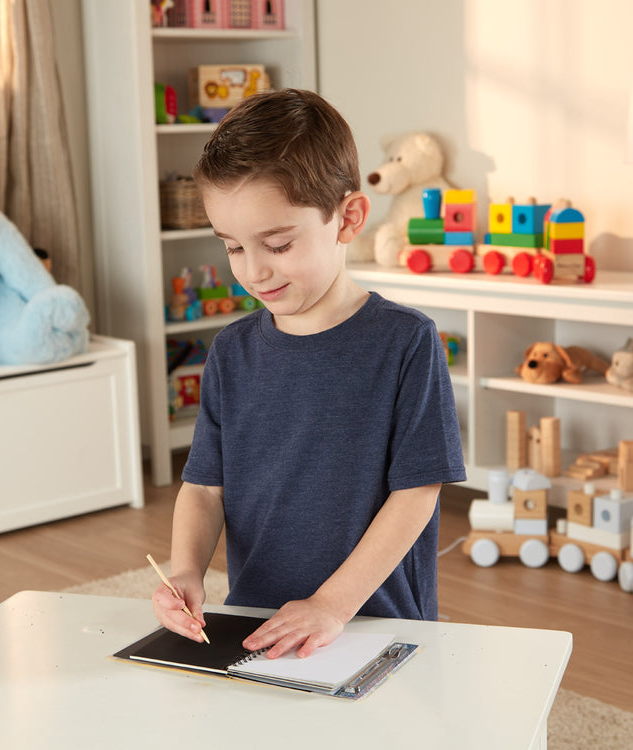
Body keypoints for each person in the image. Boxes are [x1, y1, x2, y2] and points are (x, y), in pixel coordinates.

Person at [152, 88, 465, 660]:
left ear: (348, 218)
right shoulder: (231, 352)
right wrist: (187, 570)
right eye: (232, 247)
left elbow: (417, 494)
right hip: (260, 623)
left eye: (276, 243)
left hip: (374, 622)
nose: (253, 270)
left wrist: (331, 604)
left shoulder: (406, 342)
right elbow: (203, 487)